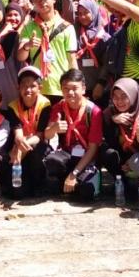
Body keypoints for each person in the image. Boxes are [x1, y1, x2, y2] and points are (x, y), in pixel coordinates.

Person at [42, 69, 105, 200]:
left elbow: (93, 148)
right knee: (51, 161)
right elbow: (46, 135)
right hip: (67, 154)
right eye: (66, 88)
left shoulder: (94, 111)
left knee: (86, 193)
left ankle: (75, 181)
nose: (70, 93)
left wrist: (74, 174)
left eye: (74, 88)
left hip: (87, 157)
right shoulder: (59, 107)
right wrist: (54, 128)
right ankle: (67, 183)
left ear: (83, 89)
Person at [17, 0, 78, 101]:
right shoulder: (28, 27)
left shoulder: (67, 27)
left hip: (61, 88)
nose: (41, 1)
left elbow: (72, 59)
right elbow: (21, 57)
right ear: (33, 0)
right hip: (37, 89)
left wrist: (76, 85)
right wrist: (27, 46)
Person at [4, 66, 54, 197]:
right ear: (18, 87)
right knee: (16, 193)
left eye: (32, 86)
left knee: (37, 149)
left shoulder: (45, 104)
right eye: (24, 86)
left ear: (40, 88)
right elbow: (18, 134)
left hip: (36, 144)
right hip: (19, 144)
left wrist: (21, 149)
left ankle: (40, 182)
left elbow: (40, 135)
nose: (28, 90)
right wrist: (19, 146)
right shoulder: (12, 106)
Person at [101, 78, 139, 190]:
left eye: (124, 96)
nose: (119, 101)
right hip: (123, 162)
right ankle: (122, 182)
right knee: (105, 151)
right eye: (115, 97)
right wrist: (112, 122)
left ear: (133, 95)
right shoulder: (109, 113)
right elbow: (110, 143)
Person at [73, 0, 109, 96]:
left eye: (86, 12)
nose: (82, 16)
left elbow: (106, 63)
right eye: (79, 14)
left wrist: (101, 83)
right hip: (78, 86)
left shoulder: (103, 37)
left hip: (98, 87)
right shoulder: (75, 33)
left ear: (94, 12)